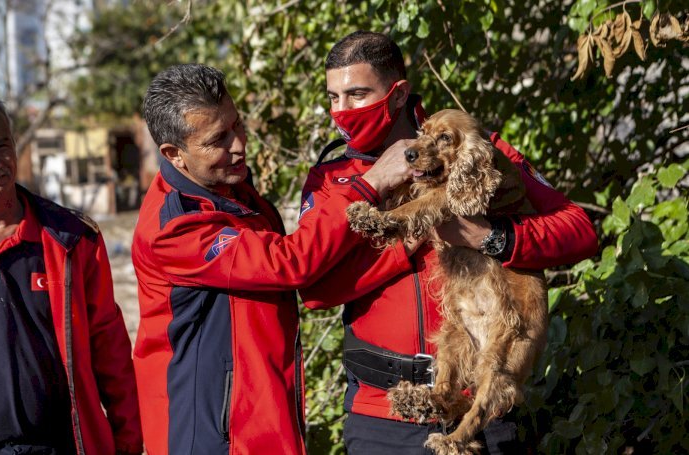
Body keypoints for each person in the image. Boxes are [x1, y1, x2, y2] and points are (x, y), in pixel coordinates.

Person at [298, 31, 599, 454]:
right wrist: (409, 232)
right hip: (381, 416)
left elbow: (580, 230)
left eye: (357, 94)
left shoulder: (475, 148)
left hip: (484, 408)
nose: (341, 112)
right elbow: (314, 289)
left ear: (398, 94)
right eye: (333, 97)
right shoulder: (331, 179)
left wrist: (492, 237)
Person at [131, 63, 415, 454]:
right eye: (218, 139)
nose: (238, 144)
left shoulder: (233, 193)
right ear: (174, 154)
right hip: (210, 437)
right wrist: (371, 184)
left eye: (237, 125)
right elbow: (290, 263)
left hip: (265, 424)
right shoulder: (175, 226)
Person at [0, 89, 143, 454]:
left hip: (64, 445)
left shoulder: (72, 240)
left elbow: (110, 350)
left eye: (0, 146)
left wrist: (127, 442)